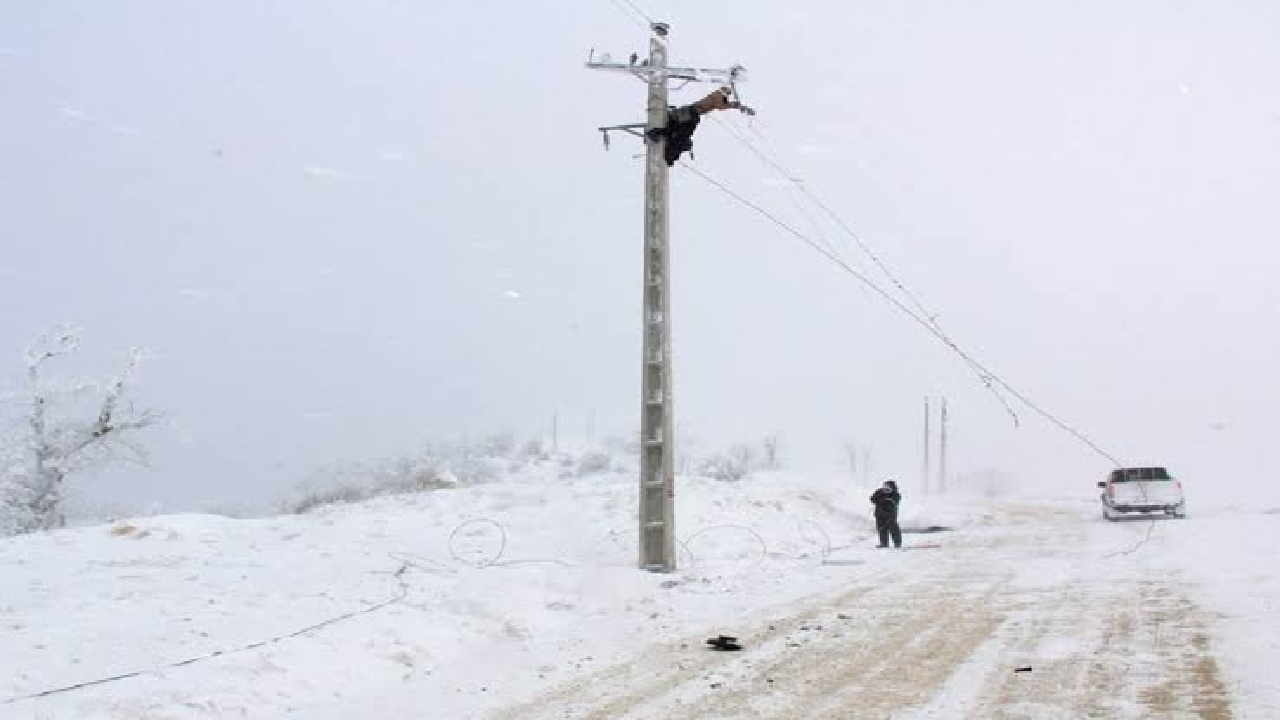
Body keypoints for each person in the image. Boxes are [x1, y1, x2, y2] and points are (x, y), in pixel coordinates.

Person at [869, 480, 902, 548]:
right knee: (881, 529)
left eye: (887, 488)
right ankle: (884, 543)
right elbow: (872, 499)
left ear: (892, 488)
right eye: (884, 487)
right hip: (879, 515)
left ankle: (897, 543)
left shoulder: (895, 494)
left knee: (894, 529)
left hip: (890, 515)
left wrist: (887, 499)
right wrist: (878, 497)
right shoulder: (879, 492)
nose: (885, 489)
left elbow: (896, 500)